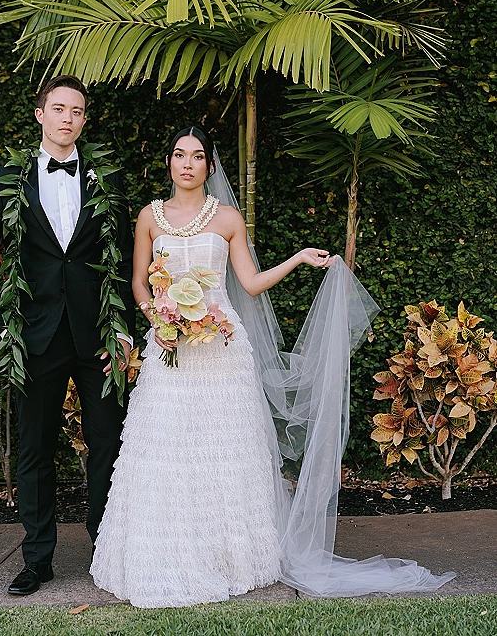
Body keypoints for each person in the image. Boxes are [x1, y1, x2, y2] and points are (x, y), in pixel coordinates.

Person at [90, 125, 454, 607]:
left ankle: (230, 557)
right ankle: (162, 552)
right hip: (169, 345)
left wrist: (298, 258)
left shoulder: (228, 218)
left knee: (224, 450)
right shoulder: (148, 217)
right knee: (165, 447)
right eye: (178, 154)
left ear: (210, 166)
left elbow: (250, 282)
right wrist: (157, 317)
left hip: (222, 348)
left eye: (197, 156)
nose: (186, 164)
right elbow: (138, 280)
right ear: (168, 162)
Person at [0, 75, 135, 596]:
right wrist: (4, 324)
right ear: (41, 115)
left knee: (108, 444)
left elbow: (123, 261)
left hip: (96, 338)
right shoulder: (7, 179)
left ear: (84, 120)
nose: (67, 118)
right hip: (34, 340)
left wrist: (123, 331)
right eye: (58, 108)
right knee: (35, 450)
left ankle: (107, 551)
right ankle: (37, 559)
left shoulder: (106, 180)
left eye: (76, 111)